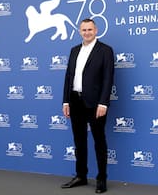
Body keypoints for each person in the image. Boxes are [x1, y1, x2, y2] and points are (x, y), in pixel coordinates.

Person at [61, 18, 114, 193]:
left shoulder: (105, 50)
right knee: (79, 141)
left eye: (90, 29)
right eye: (83, 30)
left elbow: (108, 79)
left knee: (99, 141)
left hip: (95, 103)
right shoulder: (74, 50)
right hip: (75, 101)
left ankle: (101, 179)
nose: (87, 32)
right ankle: (81, 176)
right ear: (79, 31)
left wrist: (103, 103)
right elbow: (69, 77)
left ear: (96, 30)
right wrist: (66, 101)